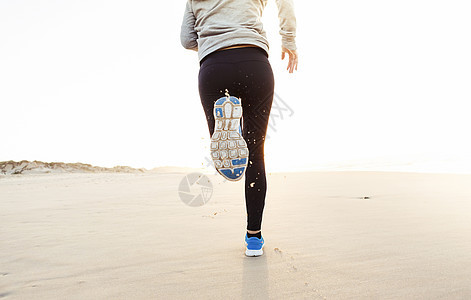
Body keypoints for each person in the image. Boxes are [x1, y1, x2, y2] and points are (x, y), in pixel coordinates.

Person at [180, 0, 298, 257]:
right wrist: (288, 39)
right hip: (254, 63)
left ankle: (226, 126)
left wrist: (215, 42)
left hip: (214, 68)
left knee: (226, 149)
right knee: (255, 154)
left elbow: (186, 39)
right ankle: (253, 238)